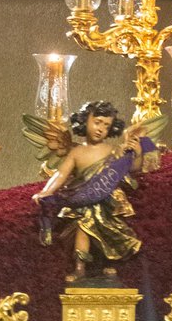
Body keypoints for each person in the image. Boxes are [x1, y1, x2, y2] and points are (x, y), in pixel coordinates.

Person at [31, 100, 148, 283]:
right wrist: (46, 191)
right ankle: (80, 267)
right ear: (85, 120)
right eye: (97, 122)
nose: (101, 128)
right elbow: (61, 174)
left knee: (107, 232)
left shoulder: (113, 150)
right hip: (82, 202)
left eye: (106, 125)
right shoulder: (76, 152)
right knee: (83, 228)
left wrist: (138, 153)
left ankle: (107, 263)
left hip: (107, 202)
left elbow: (132, 169)